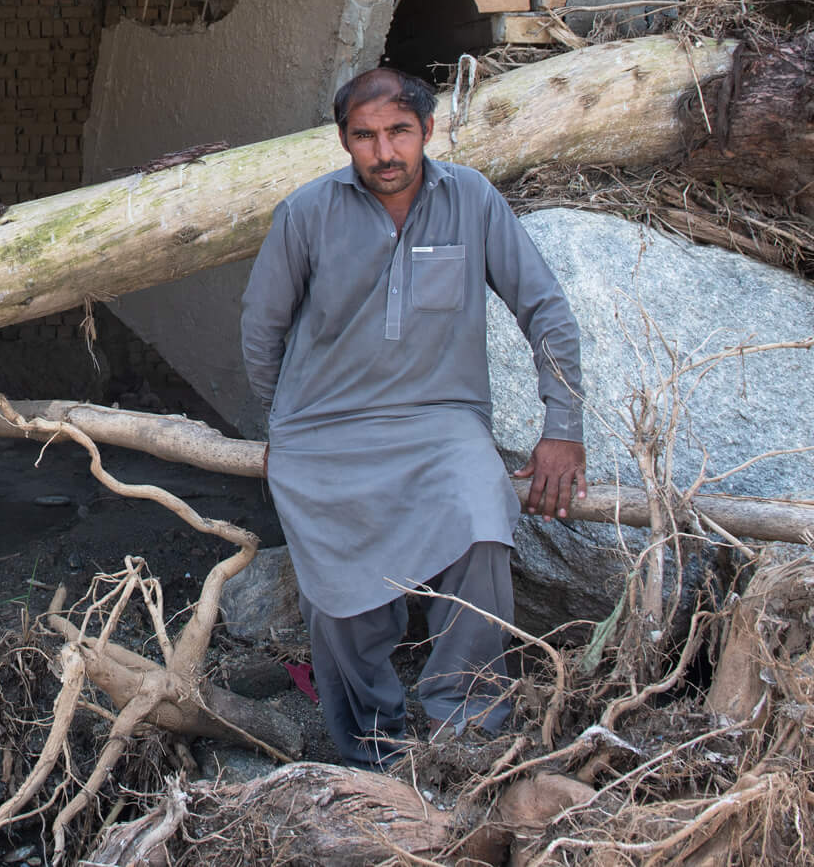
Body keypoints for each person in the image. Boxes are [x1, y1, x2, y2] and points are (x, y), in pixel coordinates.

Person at [239, 66, 587, 769]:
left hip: (441, 421)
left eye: (399, 131)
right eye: (365, 136)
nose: (384, 151)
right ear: (344, 140)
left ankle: (467, 731)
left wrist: (563, 428)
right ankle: (373, 744)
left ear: (427, 130)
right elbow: (260, 328)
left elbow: (544, 307)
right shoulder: (306, 213)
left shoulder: (474, 200)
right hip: (325, 428)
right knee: (337, 599)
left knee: (483, 520)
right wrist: (285, 427)